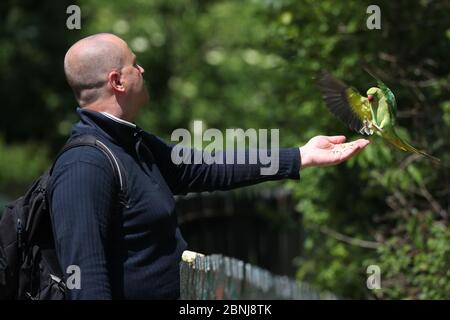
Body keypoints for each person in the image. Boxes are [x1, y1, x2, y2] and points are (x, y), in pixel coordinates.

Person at [48, 33, 370, 300]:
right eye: (134, 64)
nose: (142, 70)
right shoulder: (83, 168)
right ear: (117, 81)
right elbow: (87, 283)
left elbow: (205, 167)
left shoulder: (134, 143)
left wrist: (300, 156)